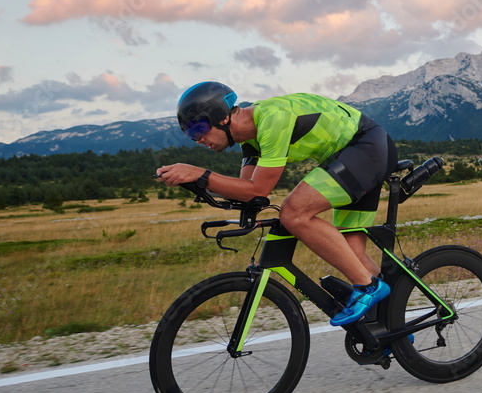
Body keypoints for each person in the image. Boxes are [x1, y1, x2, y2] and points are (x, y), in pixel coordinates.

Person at [155, 81, 398, 326]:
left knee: (294, 214)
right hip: (358, 154)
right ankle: (393, 327)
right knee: (353, 257)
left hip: (365, 147)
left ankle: (368, 288)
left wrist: (200, 174)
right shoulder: (250, 140)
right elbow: (247, 193)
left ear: (223, 119)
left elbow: (259, 189)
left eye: (199, 128)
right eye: (190, 134)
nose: (198, 139)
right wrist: (196, 183)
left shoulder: (272, 120)